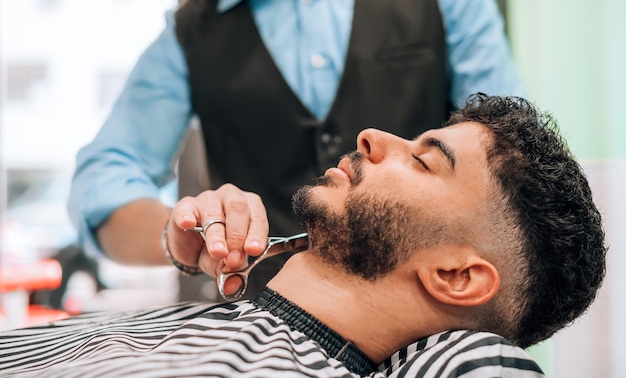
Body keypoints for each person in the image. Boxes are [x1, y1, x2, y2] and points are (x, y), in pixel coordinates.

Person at [2, 95, 606, 377]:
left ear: (455, 275)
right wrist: (176, 231)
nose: (372, 135)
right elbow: (105, 180)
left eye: (424, 161)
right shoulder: (198, 23)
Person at [67, 0, 526, 299]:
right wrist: (176, 233)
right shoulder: (191, 32)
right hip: (267, 326)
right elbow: (103, 179)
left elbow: (506, 154)